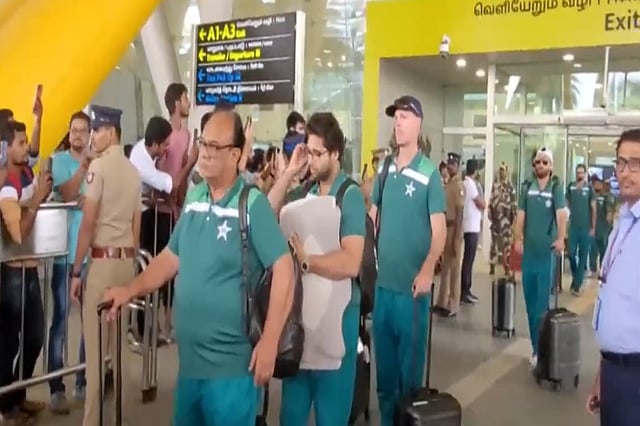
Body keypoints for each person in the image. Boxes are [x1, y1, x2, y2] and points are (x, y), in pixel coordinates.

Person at [101, 109, 295, 426]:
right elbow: (170, 257)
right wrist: (129, 290)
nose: (204, 152)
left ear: (235, 155)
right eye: (203, 143)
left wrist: (270, 341)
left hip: (232, 372)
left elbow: (284, 269)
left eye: (214, 146)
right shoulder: (195, 198)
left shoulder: (252, 205)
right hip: (190, 367)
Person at [269, 113, 366, 425]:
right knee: (291, 414)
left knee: (331, 415)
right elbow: (266, 215)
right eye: (307, 152)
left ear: (335, 153)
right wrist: (289, 173)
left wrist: (308, 260)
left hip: (337, 324)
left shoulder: (349, 196)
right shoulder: (303, 194)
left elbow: (351, 261)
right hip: (302, 325)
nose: (311, 160)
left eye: (317, 153)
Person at [370, 95, 446, 426]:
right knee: (385, 378)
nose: (398, 122)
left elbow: (439, 231)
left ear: (418, 123)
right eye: (395, 117)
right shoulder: (385, 170)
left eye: (404, 116)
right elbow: (373, 217)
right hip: (383, 288)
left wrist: (427, 270)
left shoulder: (429, 174)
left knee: (409, 379)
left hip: (412, 292)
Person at [69, 105, 142, 426]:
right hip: (126, 264)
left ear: (111, 132)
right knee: (120, 350)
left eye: (97, 130)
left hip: (101, 264)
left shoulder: (98, 168)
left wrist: (76, 270)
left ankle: (92, 421)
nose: (93, 137)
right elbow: (136, 226)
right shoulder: (133, 172)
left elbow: (88, 223)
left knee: (96, 355)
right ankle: (120, 419)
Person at [586, 129, 640, 426]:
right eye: (620, 162)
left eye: (635, 163)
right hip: (614, 371)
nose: (625, 172)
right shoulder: (623, 220)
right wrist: (602, 376)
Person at [0, 120, 52, 426]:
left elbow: (35, 153)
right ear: (6, 148)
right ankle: (7, 407)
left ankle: (16, 397)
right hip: (12, 275)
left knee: (35, 337)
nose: (26, 148)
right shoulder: (7, 185)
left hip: (30, 270)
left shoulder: (25, 175)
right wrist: (35, 202)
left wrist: (38, 120)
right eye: (20, 143)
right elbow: (18, 233)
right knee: (9, 344)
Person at [129, 116, 198, 339]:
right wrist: (190, 162)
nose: (168, 149)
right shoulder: (142, 164)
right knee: (145, 269)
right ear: (156, 143)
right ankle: (140, 329)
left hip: (147, 213)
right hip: (140, 218)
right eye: (166, 144)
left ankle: (149, 326)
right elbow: (173, 185)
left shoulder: (146, 151)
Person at [48, 111, 92, 414]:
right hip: (65, 254)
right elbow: (66, 193)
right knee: (61, 320)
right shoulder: (60, 161)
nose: (77, 135)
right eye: (73, 130)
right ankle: (55, 387)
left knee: (90, 321)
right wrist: (84, 169)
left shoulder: (98, 163)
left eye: (82, 130)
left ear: (89, 133)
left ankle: (83, 380)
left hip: (91, 253)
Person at [513, 147, 566, 369]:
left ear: (551, 166)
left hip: (546, 254)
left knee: (541, 308)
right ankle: (536, 348)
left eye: (545, 162)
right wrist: (517, 239)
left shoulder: (556, 188)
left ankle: (542, 352)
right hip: (529, 256)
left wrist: (561, 238)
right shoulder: (527, 188)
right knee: (530, 304)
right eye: (538, 162)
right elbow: (520, 217)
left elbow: (561, 216)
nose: (541, 165)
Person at [435, 152, 464, 318]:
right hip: (446, 227)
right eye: (449, 164)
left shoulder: (459, 186)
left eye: (453, 165)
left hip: (454, 229)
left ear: (458, 166)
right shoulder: (448, 184)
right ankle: (442, 302)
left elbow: (460, 212)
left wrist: (457, 238)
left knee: (453, 269)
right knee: (445, 268)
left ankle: (453, 305)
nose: (450, 167)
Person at [565, 164, 595, 296]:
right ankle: (577, 277)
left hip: (585, 228)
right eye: (578, 172)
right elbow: (566, 205)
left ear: (585, 174)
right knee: (571, 254)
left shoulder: (589, 189)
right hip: (573, 227)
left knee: (583, 256)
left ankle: (576, 285)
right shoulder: (571, 187)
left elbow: (593, 208)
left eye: (582, 172)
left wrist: (593, 227)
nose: (579, 175)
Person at [460, 159, 485, 304]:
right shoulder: (470, 184)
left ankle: (465, 289)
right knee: (469, 260)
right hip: (472, 226)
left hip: (468, 225)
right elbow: (480, 203)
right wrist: (484, 203)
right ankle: (465, 290)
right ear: (475, 171)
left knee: (467, 259)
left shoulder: (465, 183)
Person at [488, 163, 516, 277]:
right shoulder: (495, 185)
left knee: (507, 245)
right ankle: (492, 265)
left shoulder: (510, 187)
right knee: (494, 244)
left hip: (507, 220)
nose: (502, 172)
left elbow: (513, 204)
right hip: (496, 220)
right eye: (500, 170)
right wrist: (490, 216)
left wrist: (513, 221)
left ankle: (507, 267)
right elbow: (491, 202)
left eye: (504, 170)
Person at [589, 175, 615, 275]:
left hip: (604, 228)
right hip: (594, 227)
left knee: (604, 249)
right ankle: (593, 269)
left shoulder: (608, 197)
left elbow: (610, 211)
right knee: (593, 249)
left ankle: (603, 269)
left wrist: (609, 217)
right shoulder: (592, 196)